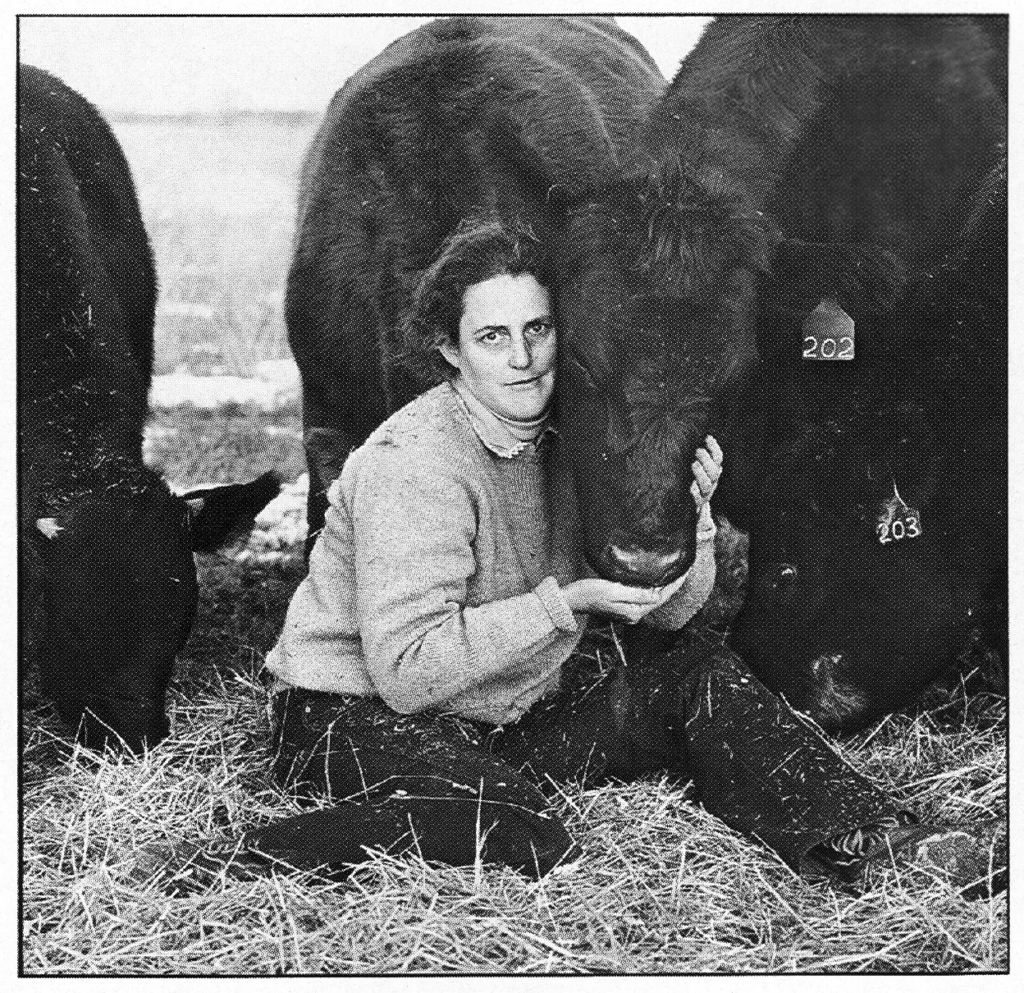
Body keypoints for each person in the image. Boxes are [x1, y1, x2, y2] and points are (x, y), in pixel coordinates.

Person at [137, 219, 1003, 897]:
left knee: (697, 670)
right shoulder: (416, 463)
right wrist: (567, 602)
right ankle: (244, 855)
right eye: (491, 337)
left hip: (501, 710)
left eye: (539, 328)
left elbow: (673, 611)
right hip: (350, 718)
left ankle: (877, 839)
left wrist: (695, 521)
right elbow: (408, 672)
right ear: (449, 350)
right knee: (524, 830)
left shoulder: (577, 435)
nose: (522, 359)